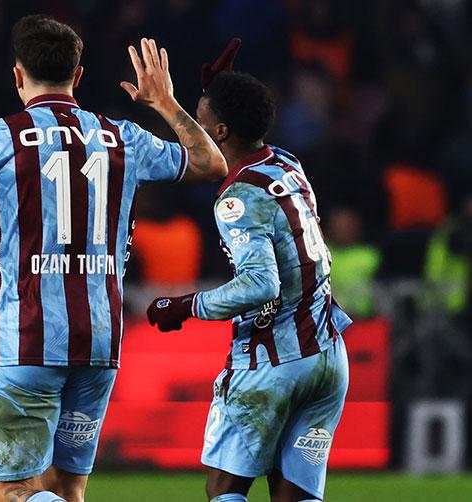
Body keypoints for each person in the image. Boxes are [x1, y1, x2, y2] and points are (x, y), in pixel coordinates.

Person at [0, 15, 226, 502]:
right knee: (67, 487)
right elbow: (211, 163)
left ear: (17, 75)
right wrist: (164, 101)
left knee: (7, 491)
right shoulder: (121, 136)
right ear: (78, 75)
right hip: (100, 341)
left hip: (28, 339)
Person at [145, 45, 352, 502]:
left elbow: (261, 283)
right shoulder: (288, 163)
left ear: (221, 131)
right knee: (295, 494)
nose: (194, 130)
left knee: (224, 487)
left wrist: (185, 306)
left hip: (273, 360)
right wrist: (221, 93)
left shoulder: (237, 197)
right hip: (327, 355)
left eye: (202, 121)